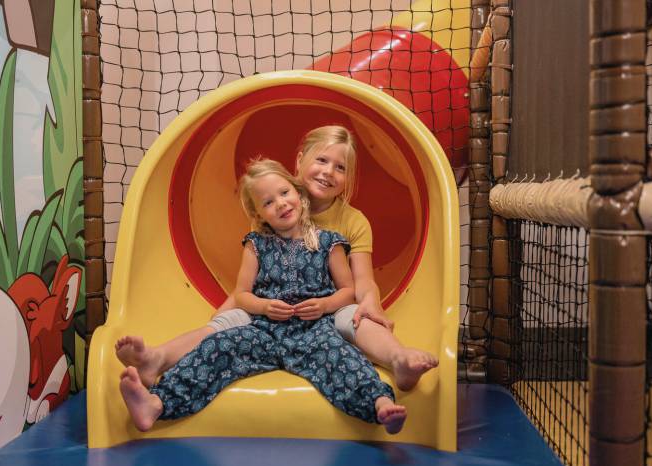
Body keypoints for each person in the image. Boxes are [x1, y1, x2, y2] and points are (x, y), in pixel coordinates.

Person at [116, 125, 437, 391]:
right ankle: (157, 359)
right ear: (299, 161)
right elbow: (251, 278)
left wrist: (372, 303)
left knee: (356, 316)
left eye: (340, 168)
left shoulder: (353, 221)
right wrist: (220, 316)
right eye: (322, 160)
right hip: (274, 315)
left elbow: (362, 279)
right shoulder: (277, 205)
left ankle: (399, 360)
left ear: (348, 179)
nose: (329, 172)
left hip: (326, 312)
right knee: (227, 323)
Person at [119, 158, 407, 434]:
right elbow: (242, 294)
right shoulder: (255, 245)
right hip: (264, 330)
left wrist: (324, 305)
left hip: (313, 330)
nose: (280, 203)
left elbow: (348, 291)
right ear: (259, 214)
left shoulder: (328, 241)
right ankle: (155, 404)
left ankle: (380, 403)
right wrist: (264, 306)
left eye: (284, 193)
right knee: (218, 346)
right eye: (268, 202)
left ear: (298, 192)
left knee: (342, 356)